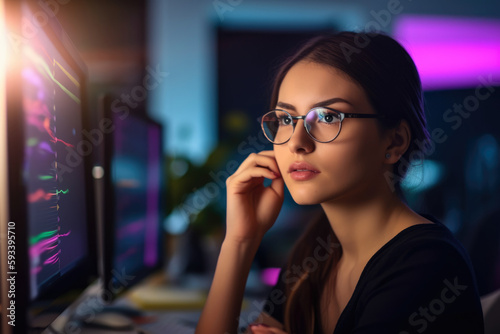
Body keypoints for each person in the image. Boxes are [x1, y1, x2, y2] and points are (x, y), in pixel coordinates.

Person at [195, 31, 484, 334]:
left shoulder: (427, 266)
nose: (297, 142)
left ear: (395, 141)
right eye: (285, 119)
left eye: (329, 117)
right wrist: (241, 241)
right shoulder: (314, 249)